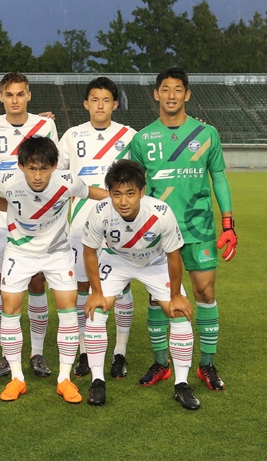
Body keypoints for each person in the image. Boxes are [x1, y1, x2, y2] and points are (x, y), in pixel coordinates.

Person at [129, 67, 237, 392]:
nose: (171, 95)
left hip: (198, 227)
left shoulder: (207, 134)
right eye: (165, 89)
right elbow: (133, 187)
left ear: (187, 94)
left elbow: (219, 178)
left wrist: (228, 224)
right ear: (156, 94)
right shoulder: (142, 139)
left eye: (178, 89)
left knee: (205, 292)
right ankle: (161, 363)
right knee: (157, 295)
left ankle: (207, 364)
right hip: (158, 232)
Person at [0, 136, 107, 403]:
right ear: (21, 166)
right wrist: (16, 209)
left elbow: (90, 192)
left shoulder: (67, 181)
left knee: (68, 312)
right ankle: (17, 378)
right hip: (19, 253)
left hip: (57, 254)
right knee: (10, 310)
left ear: (54, 166)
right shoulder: (7, 182)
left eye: (44, 168)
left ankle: (64, 379)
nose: (37, 176)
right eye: (31, 168)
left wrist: (119, 198)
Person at [81, 159, 199, 410]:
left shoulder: (161, 212)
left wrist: (176, 295)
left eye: (130, 193)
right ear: (109, 193)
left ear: (142, 192)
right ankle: (97, 381)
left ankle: (181, 384)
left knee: (179, 313)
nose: (123, 201)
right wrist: (97, 292)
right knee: (95, 311)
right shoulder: (100, 211)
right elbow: (89, 252)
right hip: (116, 259)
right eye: (117, 194)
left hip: (155, 262)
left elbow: (173, 256)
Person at [0, 72, 58, 379]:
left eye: (20, 94)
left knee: (36, 283)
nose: (14, 100)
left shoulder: (45, 126)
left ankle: (37, 352)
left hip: (35, 220)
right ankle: (7, 354)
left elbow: (54, 165)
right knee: (0, 284)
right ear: (1, 97)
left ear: (29, 96)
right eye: (9, 94)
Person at [58, 77, 137, 380]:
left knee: (122, 287)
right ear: (86, 104)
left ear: (115, 104)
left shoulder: (130, 136)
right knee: (82, 287)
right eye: (94, 100)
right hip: (81, 226)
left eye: (106, 100)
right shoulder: (72, 135)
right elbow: (59, 177)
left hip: (121, 227)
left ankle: (120, 352)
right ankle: (84, 351)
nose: (100, 106)